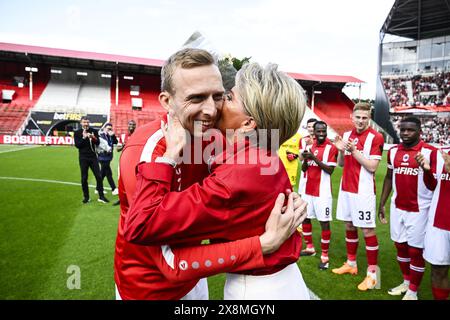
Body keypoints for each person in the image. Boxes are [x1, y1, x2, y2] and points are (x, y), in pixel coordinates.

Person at [114, 48, 307, 300]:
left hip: (205, 277)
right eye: (196, 98)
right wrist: (262, 244)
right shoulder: (146, 150)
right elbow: (165, 257)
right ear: (166, 101)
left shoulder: (223, 140)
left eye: (221, 96)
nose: (211, 110)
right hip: (150, 289)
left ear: (249, 123)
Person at [378, 116, 435, 300]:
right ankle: (406, 282)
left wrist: (426, 170)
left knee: (415, 251)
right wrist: (382, 203)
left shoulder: (430, 152)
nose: (405, 133)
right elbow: (388, 177)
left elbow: (436, 185)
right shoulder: (393, 151)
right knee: (400, 246)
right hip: (397, 207)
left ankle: (413, 291)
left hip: (420, 209)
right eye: (402, 130)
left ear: (420, 131)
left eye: (410, 130)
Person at [332, 102, 384, 291]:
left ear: (369, 118)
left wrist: (353, 150)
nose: (361, 121)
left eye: (365, 117)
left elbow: (371, 166)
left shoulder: (376, 137)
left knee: (367, 231)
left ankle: (372, 275)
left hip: (363, 192)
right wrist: (339, 148)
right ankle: (351, 264)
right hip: (347, 189)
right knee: (349, 225)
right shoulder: (346, 135)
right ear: (351, 118)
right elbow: (340, 164)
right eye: (358, 117)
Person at [299, 121, 338, 270]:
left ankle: (325, 256)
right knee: (305, 218)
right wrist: (305, 159)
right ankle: (310, 248)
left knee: (324, 222)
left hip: (323, 193)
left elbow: (330, 170)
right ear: (314, 133)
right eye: (319, 132)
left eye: (324, 131)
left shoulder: (331, 148)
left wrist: (314, 158)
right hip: (308, 189)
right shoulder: (309, 146)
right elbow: (304, 169)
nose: (321, 134)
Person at [416, 147, 450, 300]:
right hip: (439, 221)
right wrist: (426, 170)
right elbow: (432, 186)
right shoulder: (442, 153)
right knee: (438, 270)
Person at [73, 116, 109, 204]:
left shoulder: (94, 131)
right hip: (83, 158)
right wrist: (84, 137)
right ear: (81, 123)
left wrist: (93, 137)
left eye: (87, 122)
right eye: (84, 122)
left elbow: (98, 143)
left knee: (99, 176)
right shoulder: (77, 133)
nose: (86, 124)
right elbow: (78, 145)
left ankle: (101, 196)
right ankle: (86, 197)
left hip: (93, 157)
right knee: (84, 178)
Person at [113, 120, 136, 206]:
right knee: (121, 179)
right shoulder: (122, 136)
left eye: (133, 125)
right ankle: (121, 199)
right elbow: (117, 149)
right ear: (127, 125)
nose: (132, 126)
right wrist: (123, 145)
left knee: (134, 180)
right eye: (130, 124)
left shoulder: (137, 135)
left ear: (135, 126)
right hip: (124, 161)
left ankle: (133, 199)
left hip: (134, 161)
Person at [97, 122, 119, 195]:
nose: (109, 130)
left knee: (102, 173)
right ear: (104, 128)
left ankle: (98, 188)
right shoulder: (101, 135)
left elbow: (115, 142)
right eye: (108, 128)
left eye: (110, 128)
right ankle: (113, 189)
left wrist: (113, 136)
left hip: (108, 157)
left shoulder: (111, 135)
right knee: (109, 173)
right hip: (102, 157)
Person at [298, 118, 317, 196]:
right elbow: (300, 158)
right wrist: (306, 146)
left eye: (313, 126)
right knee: (301, 196)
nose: (311, 129)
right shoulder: (303, 140)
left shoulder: (321, 139)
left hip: (316, 173)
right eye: (309, 127)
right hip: (305, 173)